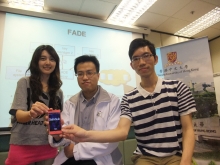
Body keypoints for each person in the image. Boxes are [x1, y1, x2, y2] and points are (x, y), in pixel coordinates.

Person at [61, 39, 197, 165]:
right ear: (132, 65)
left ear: (155, 59)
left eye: (146, 56)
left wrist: (185, 162)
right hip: (146, 158)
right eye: (136, 59)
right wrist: (84, 134)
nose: (142, 62)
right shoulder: (129, 98)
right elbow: (121, 132)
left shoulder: (178, 87)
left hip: (175, 156)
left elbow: (188, 129)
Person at [46, 55, 122, 165]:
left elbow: (110, 140)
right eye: (80, 74)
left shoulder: (112, 101)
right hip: (72, 157)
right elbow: (64, 135)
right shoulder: (70, 103)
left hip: (100, 158)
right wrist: (57, 136)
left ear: (98, 75)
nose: (85, 77)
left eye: (89, 73)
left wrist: (75, 150)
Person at [5, 45, 63, 165]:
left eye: (52, 59)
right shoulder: (24, 82)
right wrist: (31, 113)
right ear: (36, 61)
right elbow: (19, 116)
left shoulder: (58, 91)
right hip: (22, 144)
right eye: (43, 58)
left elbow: (55, 124)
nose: (48, 62)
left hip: (48, 146)